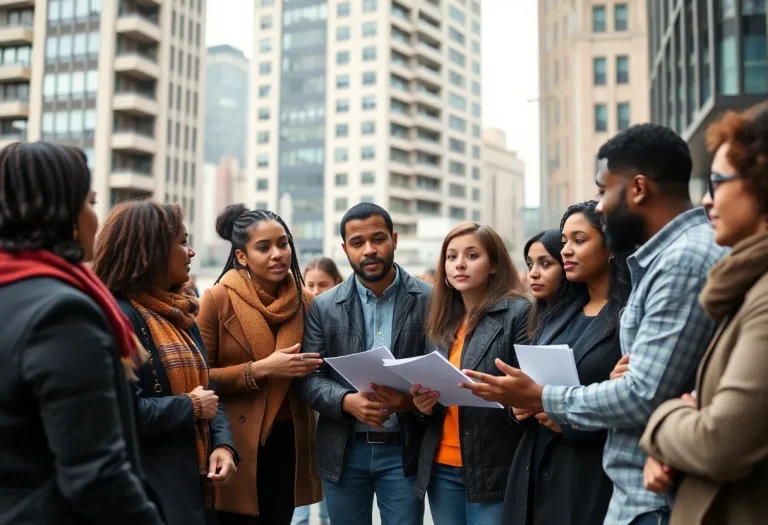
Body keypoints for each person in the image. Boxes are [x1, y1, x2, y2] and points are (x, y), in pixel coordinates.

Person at [460, 124, 727, 525]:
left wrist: (543, 396)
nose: (600, 206)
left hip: (650, 497)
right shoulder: (662, 261)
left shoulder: (681, 261)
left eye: (605, 190)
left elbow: (642, 394)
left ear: (637, 189)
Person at [0, 142, 163, 524]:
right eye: (89, 202)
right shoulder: (62, 313)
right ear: (63, 215)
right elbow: (96, 474)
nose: (96, 219)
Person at [639, 105, 768, 525]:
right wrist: (683, 432)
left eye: (718, 181)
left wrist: (664, 418)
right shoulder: (747, 286)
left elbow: (720, 442)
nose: (708, 199)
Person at [92, 199, 238, 525]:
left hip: (195, 486)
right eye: (182, 242)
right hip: (152, 489)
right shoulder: (119, 318)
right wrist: (190, 407)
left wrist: (224, 447)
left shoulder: (182, 313)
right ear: (152, 250)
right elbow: (123, 411)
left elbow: (210, 394)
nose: (191, 252)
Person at [297, 203, 431, 525]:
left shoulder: (431, 299)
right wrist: (346, 402)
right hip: (344, 449)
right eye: (357, 243)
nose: (369, 250)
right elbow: (309, 379)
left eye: (378, 239)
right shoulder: (324, 306)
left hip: (404, 450)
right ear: (345, 249)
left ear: (394, 240)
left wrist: (408, 402)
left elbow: (440, 371)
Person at [506, 202, 631, 525]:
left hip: (587, 475)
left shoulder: (630, 316)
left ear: (610, 245)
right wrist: (519, 404)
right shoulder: (559, 312)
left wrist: (568, 420)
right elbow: (535, 380)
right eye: (564, 241)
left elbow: (635, 400)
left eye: (579, 240)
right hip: (533, 469)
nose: (567, 251)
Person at [197, 204, 322, 525]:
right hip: (235, 442)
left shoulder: (306, 301)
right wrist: (262, 369)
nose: (278, 254)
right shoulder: (217, 298)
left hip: (291, 440)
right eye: (263, 248)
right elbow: (199, 377)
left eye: (283, 243)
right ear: (242, 256)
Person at [410, 222, 530, 525]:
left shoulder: (518, 313)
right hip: (440, 467)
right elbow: (436, 394)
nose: (459, 264)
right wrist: (423, 407)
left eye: (472, 255)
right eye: (451, 257)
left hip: (493, 467)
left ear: (493, 265)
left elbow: (529, 393)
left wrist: (514, 403)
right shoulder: (440, 321)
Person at [292, 256, 344, 525]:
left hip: (334, 407)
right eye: (309, 284)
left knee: (327, 476)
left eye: (322, 284)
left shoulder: (341, 314)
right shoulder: (293, 313)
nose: (315, 291)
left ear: (336, 283)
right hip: (302, 406)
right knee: (300, 481)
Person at [523, 229, 565, 339]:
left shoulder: (584, 316)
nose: (533, 274)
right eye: (530, 265)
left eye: (545, 264)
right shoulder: (530, 318)